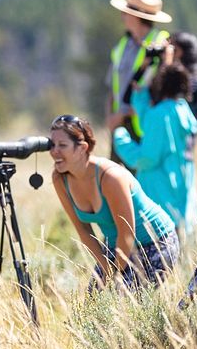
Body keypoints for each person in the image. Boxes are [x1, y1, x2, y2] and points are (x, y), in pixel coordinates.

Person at [50, 114, 179, 290]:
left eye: (62, 145)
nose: (54, 151)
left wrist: (112, 275)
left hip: (155, 243)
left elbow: (127, 234)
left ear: (82, 148)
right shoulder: (60, 179)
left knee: (121, 303)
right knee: (94, 309)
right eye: (52, 145)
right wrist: (106, 269)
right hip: (116, 247)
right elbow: (83, 232)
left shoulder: (110, 177)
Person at [113, 64, 197, 236]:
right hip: (183, 199)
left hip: (160, 198)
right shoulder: (184, 111)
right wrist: (140, 96)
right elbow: (149, 120)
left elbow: (146, 159)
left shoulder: (159, 115)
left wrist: (120, 138)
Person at [106, 0, 172, 158]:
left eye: (126, 13)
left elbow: (164, 84)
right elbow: (112, 86)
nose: (122, 16)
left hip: (146, 125)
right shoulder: (123, 44)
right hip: (120, 124)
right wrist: (112, 117)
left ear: (136, 17)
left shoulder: (161, 44)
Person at [169, 31, 197, 121]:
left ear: (186, 53)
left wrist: (166, 64)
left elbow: (169, 97)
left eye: (174, 50)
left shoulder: (195, 81)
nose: (170, 54)